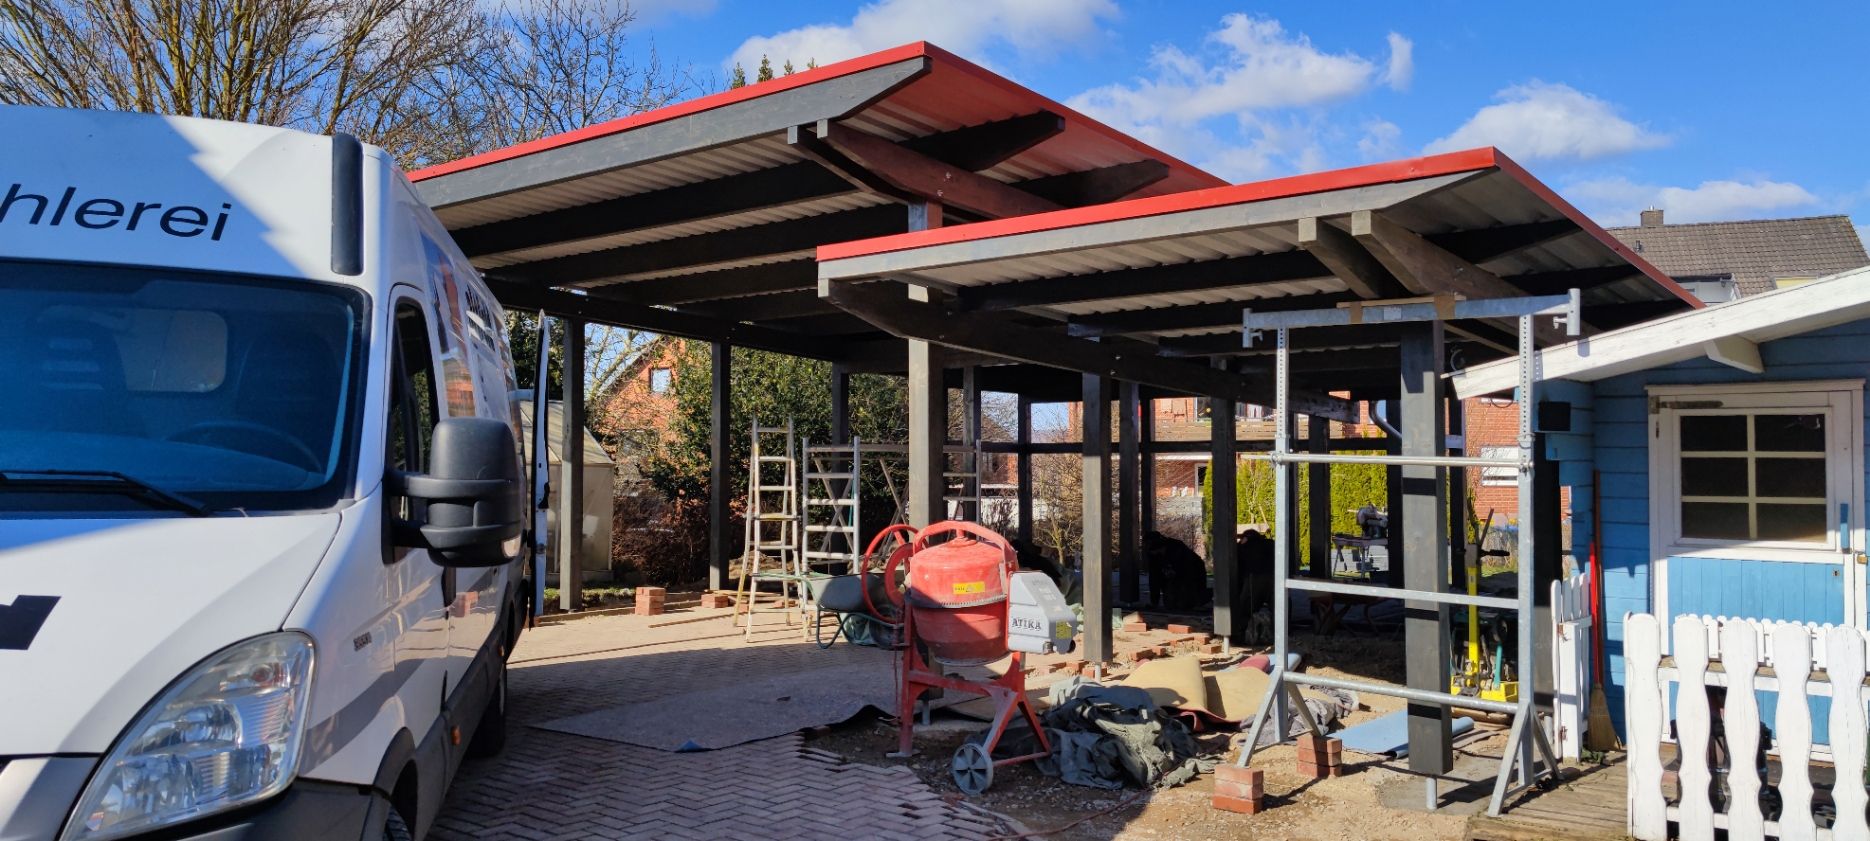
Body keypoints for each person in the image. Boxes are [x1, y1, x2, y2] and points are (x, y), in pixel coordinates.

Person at [1143, 531, 1210, 610]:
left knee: (1185, 604)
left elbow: (1189, 571)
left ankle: (1201, 598)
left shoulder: (1177, 548)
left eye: (1159, 551)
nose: (1157, 553)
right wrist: (1154, 602)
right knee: (1171, 605)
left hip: (1192, 573)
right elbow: (1154, 578)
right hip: (1173, 576)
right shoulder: (1153, 556)